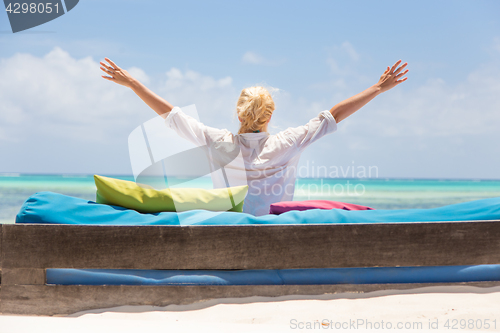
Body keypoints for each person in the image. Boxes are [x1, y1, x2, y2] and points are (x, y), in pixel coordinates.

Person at [100, 59, 408, 216]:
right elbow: (333, 115)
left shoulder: (218, 141)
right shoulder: (288, 142)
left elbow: (171, 115)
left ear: (239, 113)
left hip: (231, 231)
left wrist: (133, 83)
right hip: (276, 231)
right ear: (270, 115)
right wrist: (378, 88)